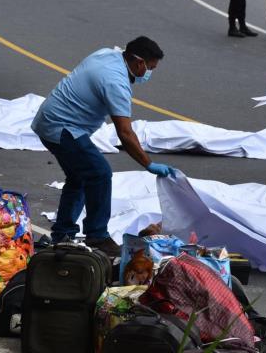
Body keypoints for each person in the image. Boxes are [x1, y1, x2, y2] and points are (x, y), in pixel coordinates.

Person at [32, 37, 177, 256]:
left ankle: (63, 234)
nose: (149, 74)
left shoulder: (107, 55)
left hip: (51, 120)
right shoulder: (115, 82)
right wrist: (149, 164)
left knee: (80, 176)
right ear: (139, 63)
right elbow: (125, 133)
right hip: (61, 128)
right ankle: (97, 235)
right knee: (99, 173)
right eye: (150, 68)